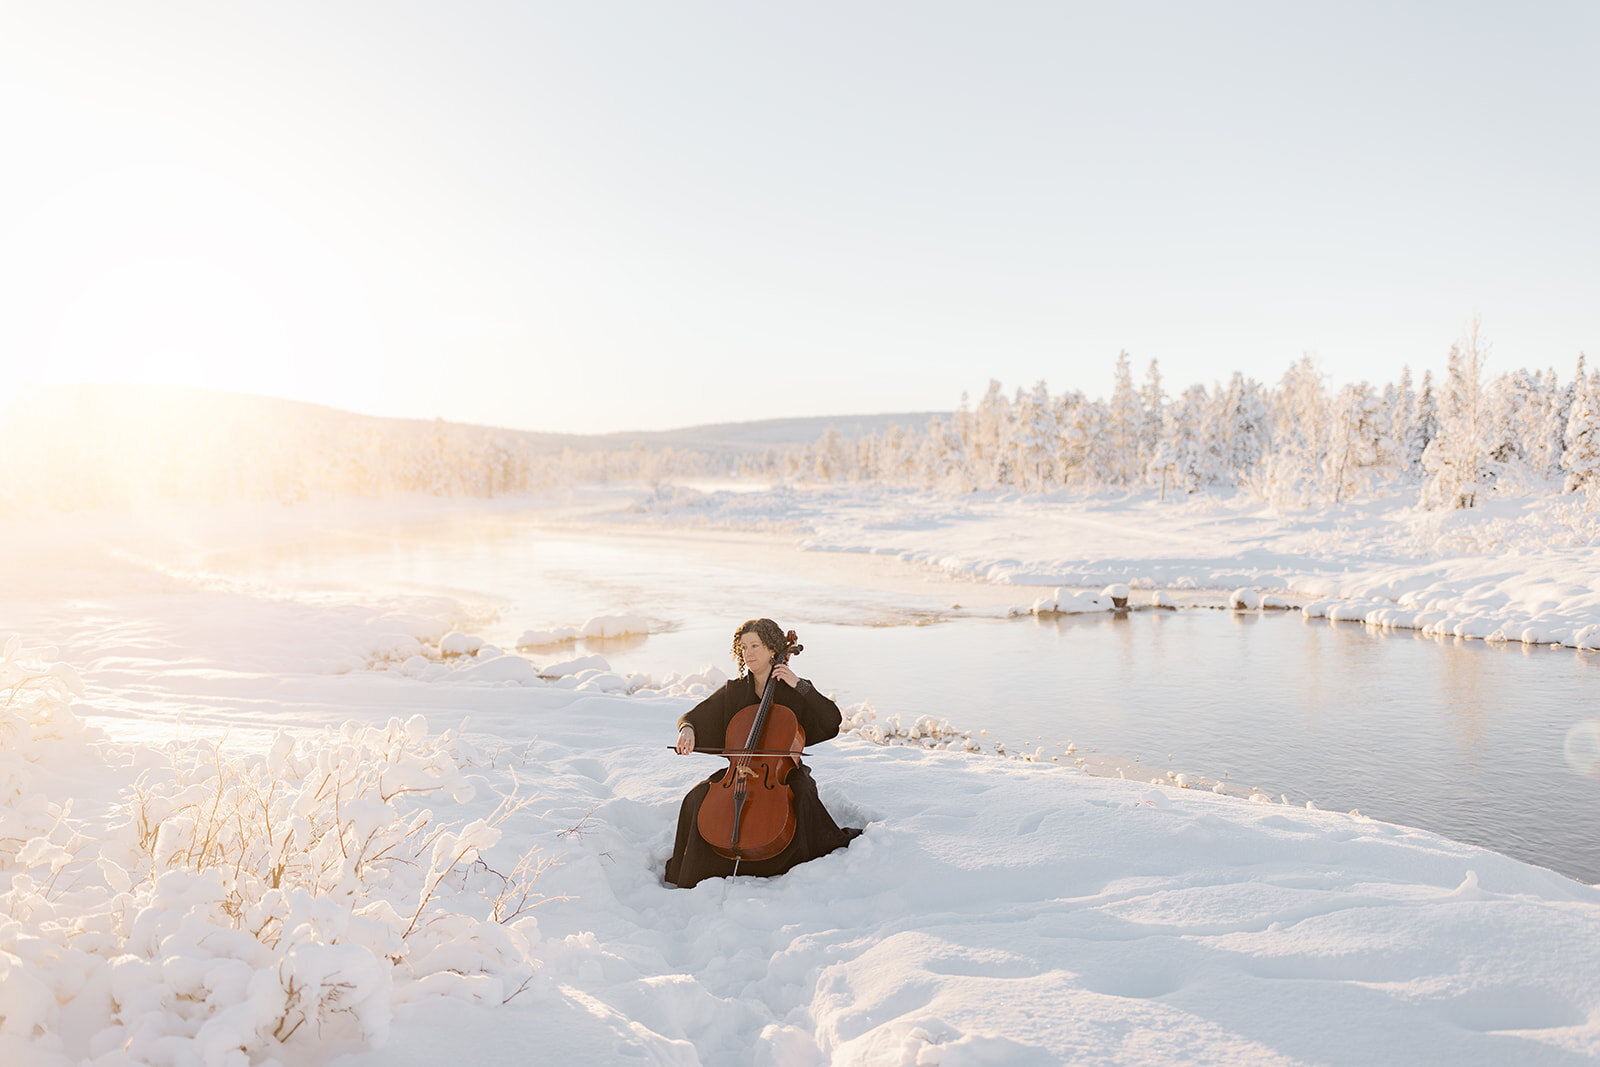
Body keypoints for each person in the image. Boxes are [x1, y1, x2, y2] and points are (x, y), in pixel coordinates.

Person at [664, 618, 861, 889]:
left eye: (755, 645)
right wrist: (687, 730)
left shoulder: (792, 688)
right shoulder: (734, 690)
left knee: (803, 793)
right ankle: (694, 868)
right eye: (744, 647)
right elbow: (693, 716)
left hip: (782, 772)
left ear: (772, 650)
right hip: (740, 770)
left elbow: (831, 719)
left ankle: (794, 859)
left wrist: (801, 685)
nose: (749, 653)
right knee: (697, 797)